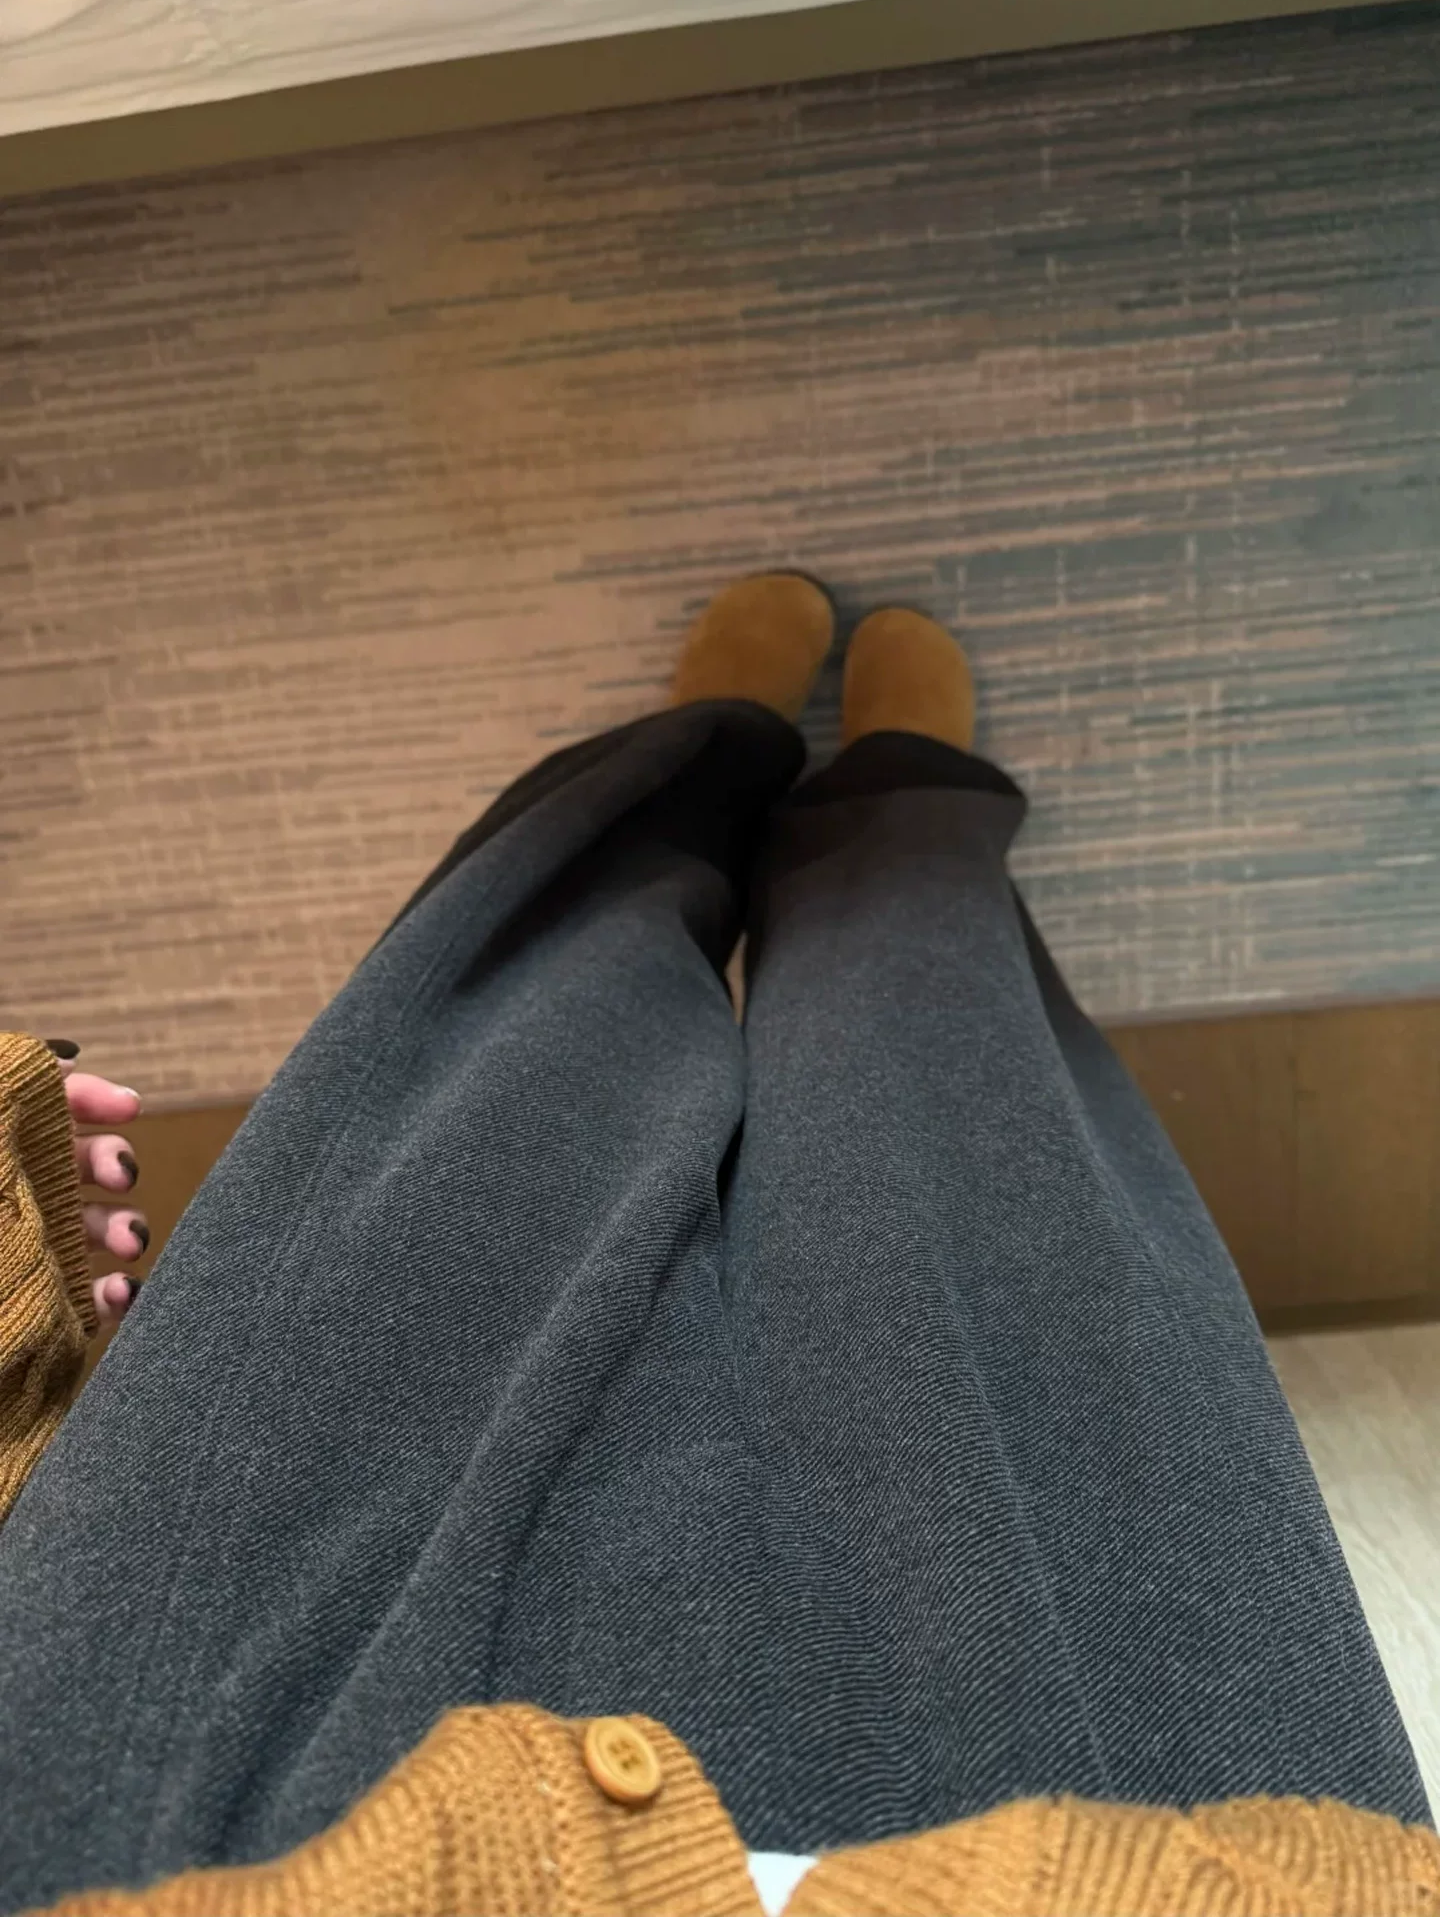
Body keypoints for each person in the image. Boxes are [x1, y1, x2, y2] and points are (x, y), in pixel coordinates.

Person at [0, 576, 1433, 1917]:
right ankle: (901, 820)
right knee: (967, 1161)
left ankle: (693, 773)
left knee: (494, 1086)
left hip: (170, 1840)